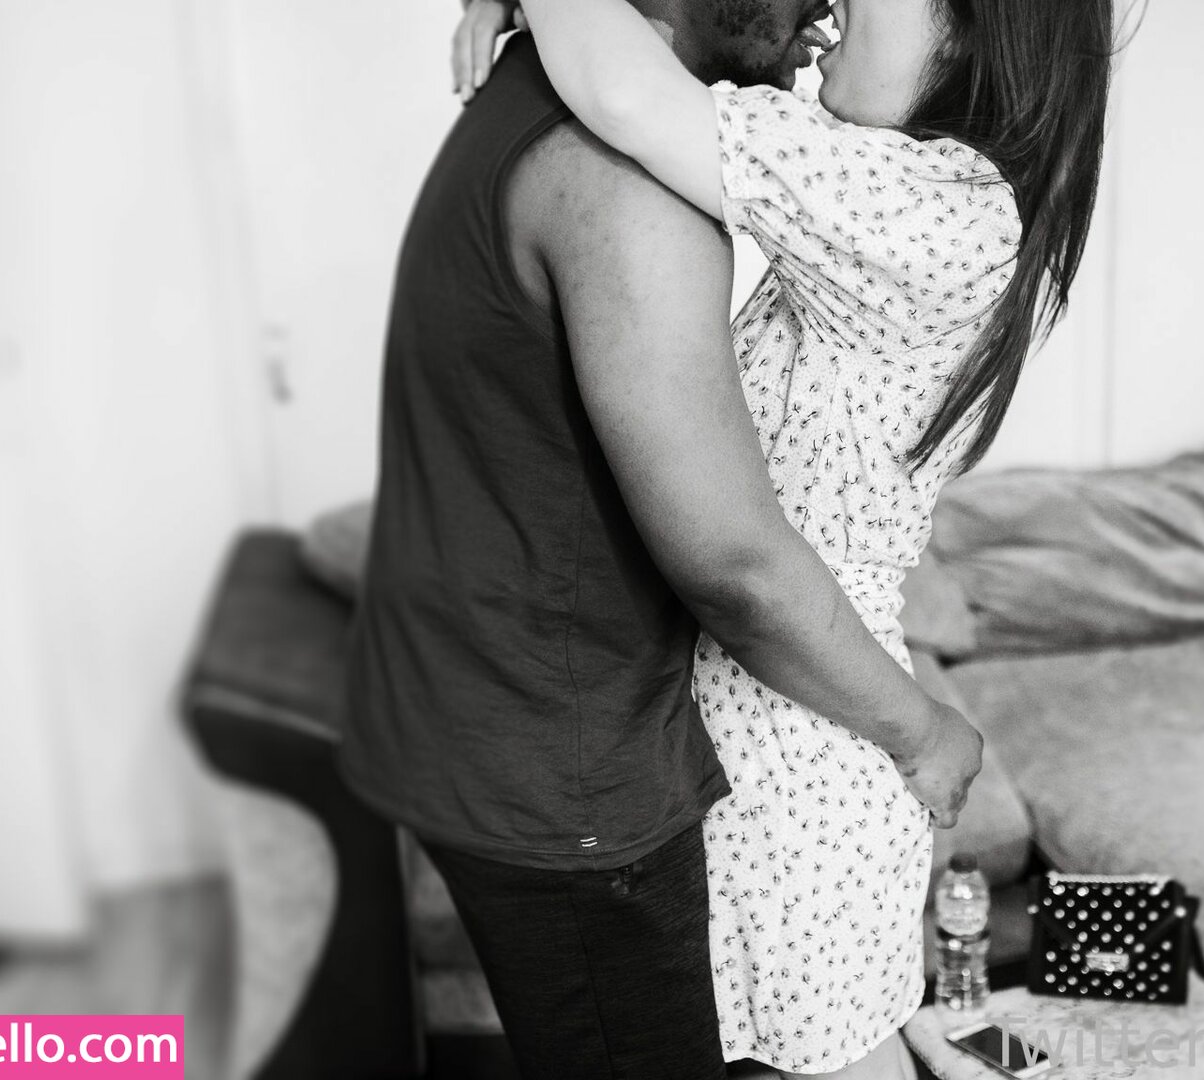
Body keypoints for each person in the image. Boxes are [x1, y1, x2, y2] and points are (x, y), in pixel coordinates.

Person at [452, 0, 1114, 1074]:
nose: (830, 5)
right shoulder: (920, 200)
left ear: (968, 31)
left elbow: (626, 90)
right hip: (796, 725)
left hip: (796, 741)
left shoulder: (940, 210)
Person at [337, 1, 986, 1077]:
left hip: (493, 729)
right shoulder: (623, 178)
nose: (825, 7)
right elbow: (734, 565)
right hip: (563, 771)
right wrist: (925, 734)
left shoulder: (532, 92)